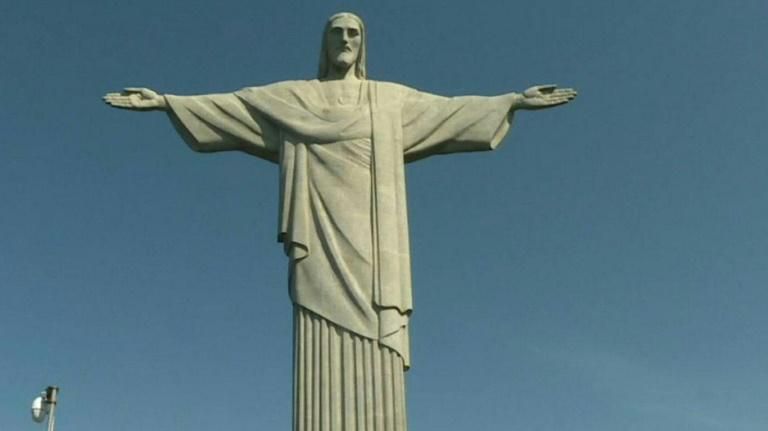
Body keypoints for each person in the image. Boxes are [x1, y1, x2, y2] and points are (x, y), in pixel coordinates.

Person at [104, 12, 576, 431]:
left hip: (375, 244)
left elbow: (449, 110)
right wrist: (167, 101)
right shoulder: (294, 99)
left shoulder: (388, 100)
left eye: (354, 32)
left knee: (377, 332)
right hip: (318, 237)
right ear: (324, 45)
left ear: (363, 44)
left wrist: (512, 100)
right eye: (337, 33)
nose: (346, 39)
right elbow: (235, 107)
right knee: (318, 327)